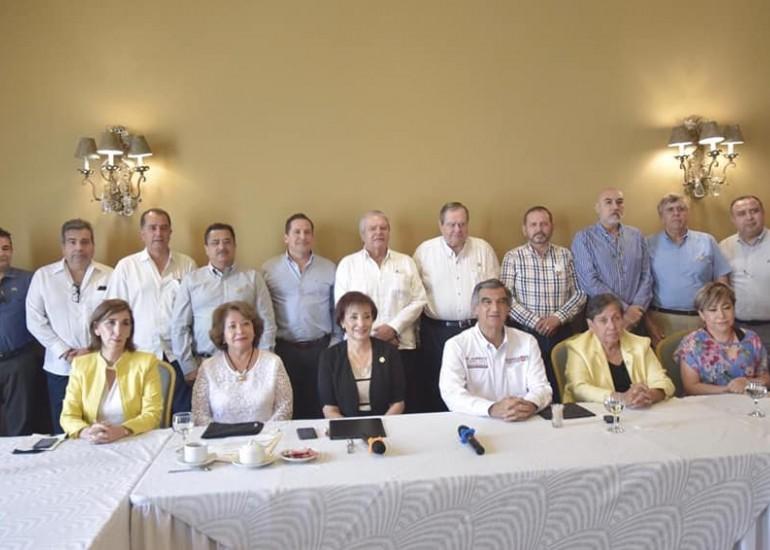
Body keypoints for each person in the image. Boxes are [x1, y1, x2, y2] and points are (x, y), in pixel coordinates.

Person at [26, 219, 112, 433]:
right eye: (72, 242)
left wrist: (93, 350)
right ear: (63, 246)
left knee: (102, 428)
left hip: (102, 365)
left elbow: (117, 318)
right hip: (60, 369)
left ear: (93, 245)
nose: (79, 248)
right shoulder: (43, 276)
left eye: (85, 242)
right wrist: (65, 352)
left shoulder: (110, 275)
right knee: (65, 430)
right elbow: (34, 320)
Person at [335, 211, 427, 412]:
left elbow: (419, 300)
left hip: (401, 348)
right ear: (362, 234)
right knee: (366, 407)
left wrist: (393, 329)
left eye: (383, 228)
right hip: (359, 351)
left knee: (402, 407)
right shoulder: (348, 265)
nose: (379, 232)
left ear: (389, 232)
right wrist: (374, 337)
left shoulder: (406, 262)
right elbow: (343, 308)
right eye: (372, 228)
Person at [107, 208, 197, 414]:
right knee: (144, 417)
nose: (158, 233)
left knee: (182, 416)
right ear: (142, 233)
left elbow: (195, 313)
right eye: (152, 228)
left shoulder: (187, 265)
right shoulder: (126, 267)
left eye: (164, 228)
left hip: (178, 355)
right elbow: (113, 315)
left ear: (170, 232)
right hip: (139, 354)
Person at [413, 202, 499, 412]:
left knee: (477, 384)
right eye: (451, 225)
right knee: (437, 385)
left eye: (462, 224)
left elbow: (494, 290)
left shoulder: (483, 249)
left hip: (476, 330)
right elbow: (414, 293)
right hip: (437, 332)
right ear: (441, 225)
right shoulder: (425, 251)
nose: (457, 230)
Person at [171, 223, 276, 392]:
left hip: (247, 366)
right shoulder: (191, 281)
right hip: (204, 366)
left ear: (234, 246)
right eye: (215, 242)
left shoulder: (253, 278)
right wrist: (188, 367)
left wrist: (262, 363)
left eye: (227, 242)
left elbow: (267, 322)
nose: (221, 247)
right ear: (206, 248)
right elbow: (179, 326)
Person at [501, 205, 586, 402]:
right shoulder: (513, 257)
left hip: (561, 331)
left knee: (562, 384)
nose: (539, 229)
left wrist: (558, 318)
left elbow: (580, 293)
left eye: (544, 224)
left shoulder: (566, 255)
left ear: (551, 227)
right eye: (533, 225)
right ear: (525, 229)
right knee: (529, 387)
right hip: (524, 333)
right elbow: (506, 297)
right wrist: (536, 322)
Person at [439, 279, 552, 420]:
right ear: (475, 309)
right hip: (477, 421)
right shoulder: (457, 345)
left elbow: (542, 387)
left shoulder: (527, 341)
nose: (495, 309)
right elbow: (451, 393)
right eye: (487, 302)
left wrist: (530, 404)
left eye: (501, 302)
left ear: (508, 309)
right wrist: (492, 409)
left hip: (521, 419)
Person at [262, 213, 337, 419]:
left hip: (321, 348)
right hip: (285, 349)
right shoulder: (268, 269)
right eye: (296, 232)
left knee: (322, 404)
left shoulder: (329, 268)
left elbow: (336, 309)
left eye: (307, 232)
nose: (302, 237)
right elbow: (264, 311)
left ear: (312, 237)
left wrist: (335, 342)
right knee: (287, 406)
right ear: (286, 237)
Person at [60, 299, 162, 442]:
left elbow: (152, 414)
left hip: (134, 440)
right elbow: (68, 416)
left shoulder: (146, 362)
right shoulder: (81, 365)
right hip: (93, 441)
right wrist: (86, 432)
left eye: (125, 323)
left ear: (130, 330)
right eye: (111, 323)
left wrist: (122, 430)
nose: (118, 331)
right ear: (96, 328)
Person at [645, 193, 730, 346]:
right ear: (662, 217)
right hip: (661, 320)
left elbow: (721, 279)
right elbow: (641, 287)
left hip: (701, 320)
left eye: (681, 209)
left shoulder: (707, 241)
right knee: (665, 361)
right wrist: (649, 324)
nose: (676, 213)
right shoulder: (648, 244)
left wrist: (717, 316)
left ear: (687, 213)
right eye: (670, 210)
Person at [191, 301, 292, 425]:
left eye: (246, 324)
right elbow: (199, 414)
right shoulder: (208, 367)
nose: (240, 331)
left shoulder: (273, 363)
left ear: (254, 330)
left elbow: (284, 408)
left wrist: (264, 433)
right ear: (222, 334)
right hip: (220, 436)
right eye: (232, 326)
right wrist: (224, 434)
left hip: (266, 436)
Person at [563, 294, 675, 405]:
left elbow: (664, 382)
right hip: (595, 413)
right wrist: (621, 398)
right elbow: (578, 389)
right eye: (603, 320)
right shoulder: (578, 348)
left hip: (638, 411)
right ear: (591, 324)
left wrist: (648, 396)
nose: (612, 326)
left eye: (616, 318)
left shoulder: (640, 344)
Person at [572, 188, 652, 332]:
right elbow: (589, 281)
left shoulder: (636, 235)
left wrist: (637, 308)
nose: (615, 207)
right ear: (598, 208)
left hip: (637, 318)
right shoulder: (583, 238)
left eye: (619, 202)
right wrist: (623, 310)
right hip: (602, 319)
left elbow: (646, 275)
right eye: (608, 202)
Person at [318, 291, 405, 418]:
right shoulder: (329, 357)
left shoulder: (389, 352)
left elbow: (398, 403)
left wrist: (381, 425)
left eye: (367, 317)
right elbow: (329, 409)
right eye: (354, 317)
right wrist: (348, 427)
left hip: (385, 422)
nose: (361, 323)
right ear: (342, 322)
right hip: (345, 424)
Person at [676, 282, 769, 395]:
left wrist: (748, 383)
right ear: (701, 314)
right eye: (713, 310)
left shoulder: (751, 339)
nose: (721, 315)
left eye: (726, 308)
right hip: (706, 403)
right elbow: (691, 387)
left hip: (748, 401)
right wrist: (727, 389)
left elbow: (766, 378)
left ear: (734, 309)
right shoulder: (691, 343)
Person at [0, 227, 49, 436]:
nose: (2, 253)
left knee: (19, 423)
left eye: (6, 248)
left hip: (18, 360)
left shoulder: (28, 280)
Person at [720, 195, 770, 352]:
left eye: (754, 211)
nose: (749, 217)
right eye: (742, 213)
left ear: (763, 213)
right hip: (737, 329)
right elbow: (721, 287)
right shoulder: (724, 246)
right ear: (733, 219)